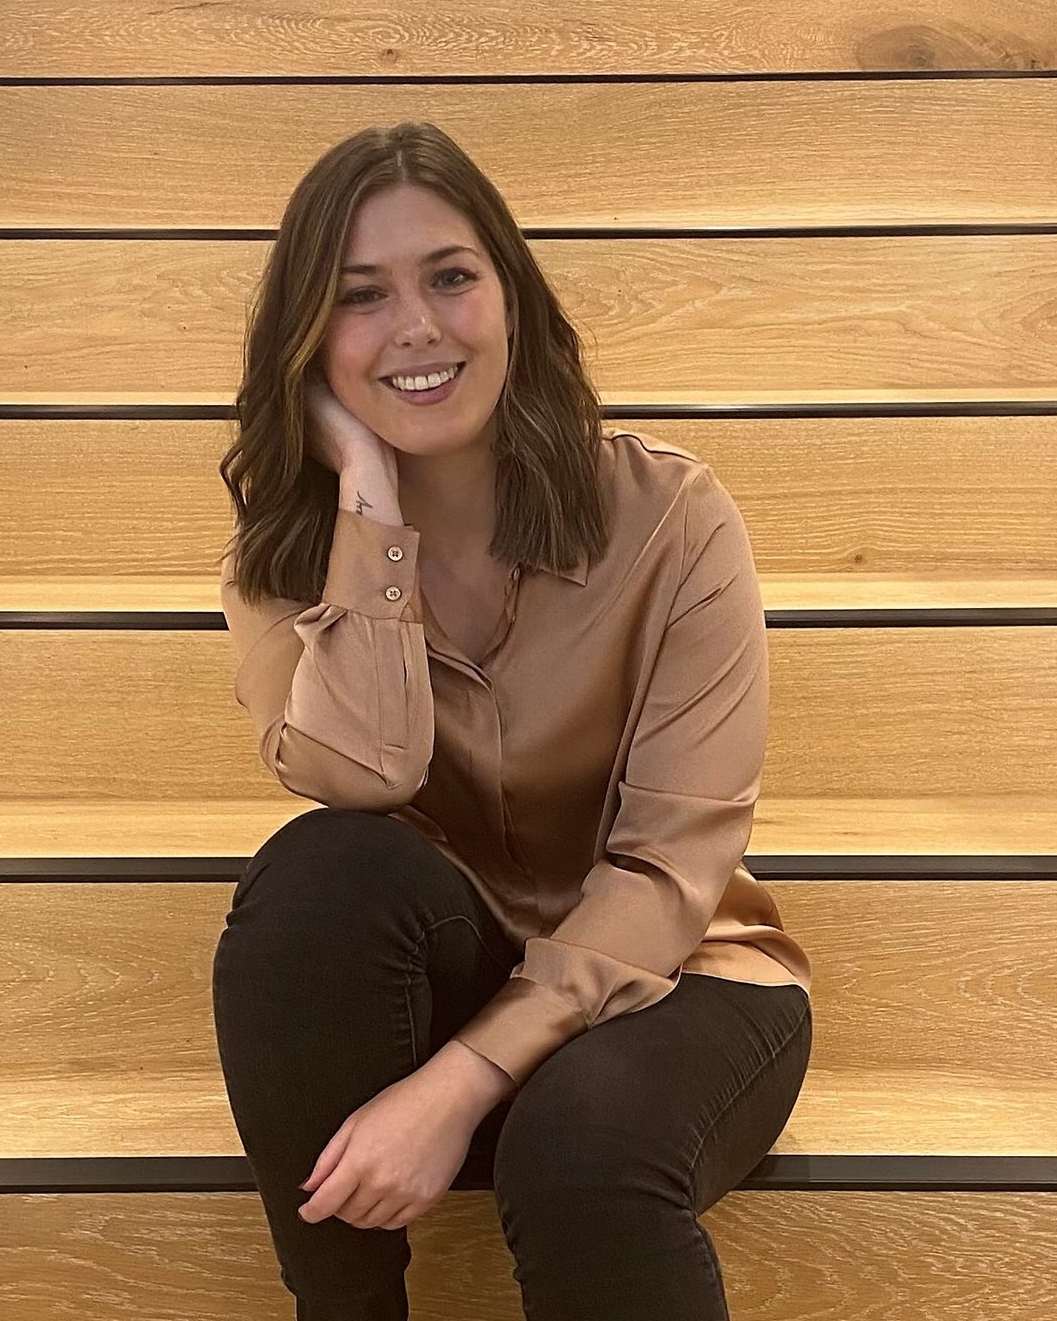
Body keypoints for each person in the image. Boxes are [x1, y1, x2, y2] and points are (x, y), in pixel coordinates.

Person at [212, 119, 813, 1321]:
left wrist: (455, 1081)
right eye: (358, 297)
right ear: (307, 344)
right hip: (449, 981)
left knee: (579, 1142)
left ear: (513, 298)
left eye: (450, 276)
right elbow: (364, 777)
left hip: (680, 985)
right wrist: (370, 507)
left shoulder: (673, 518)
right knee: (318, 876)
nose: (417, 326)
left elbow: (669, 862)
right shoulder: (287, 561)